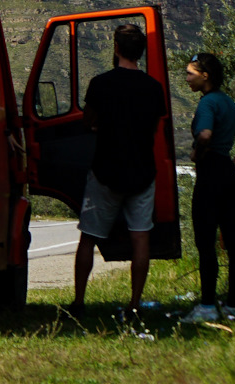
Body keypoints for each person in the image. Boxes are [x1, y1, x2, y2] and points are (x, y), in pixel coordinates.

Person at [71, 23, 167, 314]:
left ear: (116, 48)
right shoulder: (154, 88)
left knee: (88, 236)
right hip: (142, 172)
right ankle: (135, 303)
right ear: (141, 51)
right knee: (141, 237)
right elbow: (153, 128)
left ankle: (78, 301)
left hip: (105, 171)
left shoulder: (100, 83)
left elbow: (87, 122)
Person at [180, 51, 235, 323]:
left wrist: (197, 153)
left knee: (206, 242)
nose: (186, 78)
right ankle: (233, 306)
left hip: (210, 174)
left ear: (205, 76)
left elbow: (205, 134)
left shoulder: (207, 104)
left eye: (190, 73)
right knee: (234, 241)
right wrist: (233, 161)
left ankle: (208, 306)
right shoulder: (228, 102)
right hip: (229, 173)